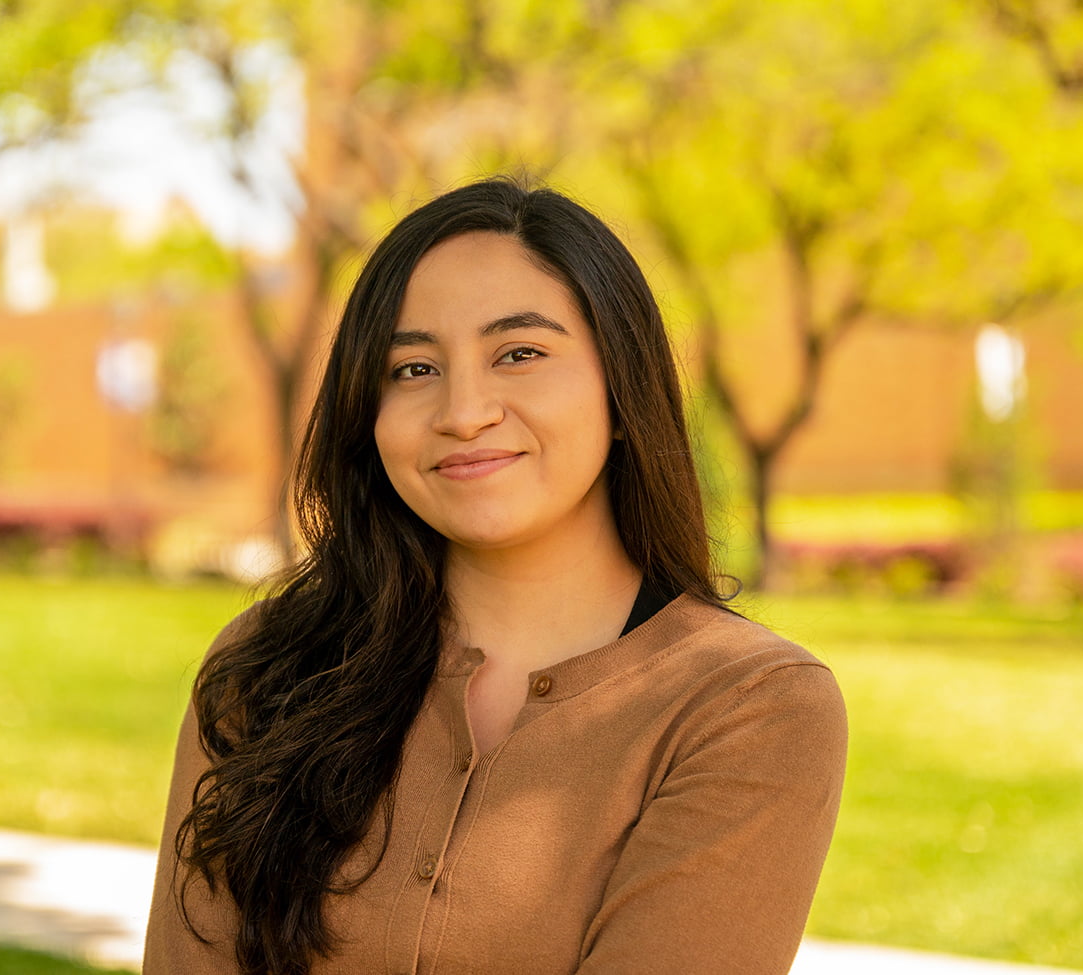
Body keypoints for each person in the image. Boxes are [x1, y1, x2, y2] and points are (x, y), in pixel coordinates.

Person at [143, 177, 847, 975]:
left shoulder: (747, 706)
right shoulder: (266, 670)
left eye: (520, 353)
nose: (463, 410)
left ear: (621, 388)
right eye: (412, 368)